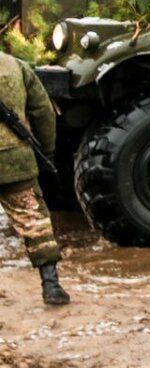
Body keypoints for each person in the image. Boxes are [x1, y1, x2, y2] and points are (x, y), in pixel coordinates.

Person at [0, 52, 70, 305]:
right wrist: (46, 151)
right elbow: (43, 111)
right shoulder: (15, 65)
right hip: (16, 160)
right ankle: (51, 286)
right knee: (34, 222)